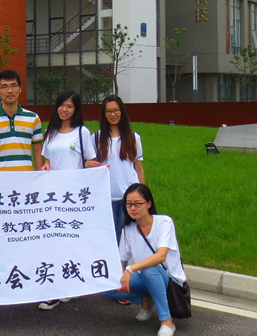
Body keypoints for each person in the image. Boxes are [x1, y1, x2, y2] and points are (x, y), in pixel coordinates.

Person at [38, 89, 98, 310]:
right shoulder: (51, 132)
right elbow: (47, 160)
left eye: (69, 106)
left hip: (73, 198)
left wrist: (93, 166)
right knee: (53, 242)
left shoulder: (82, 132)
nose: (64, 109)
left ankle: (68, 286)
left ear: (76, 110)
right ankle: (55, 289)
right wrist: (46, 166)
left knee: (70, 242)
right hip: (53, 198)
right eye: (61, 105)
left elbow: (91, 161)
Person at [107, 183, 186, 336]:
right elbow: (120, 260)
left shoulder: (164, 222)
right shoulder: (128, 229)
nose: (133, 208)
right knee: (107, 286)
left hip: (169, 280)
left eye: (138, 204)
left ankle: (167, 322)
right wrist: (117, 277)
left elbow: (161, 256)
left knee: (149, 269)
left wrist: (131, 269)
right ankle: (146, 298)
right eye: (129, 204)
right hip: (144, 276)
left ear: (149, 204)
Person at [86, 95, 145, 244]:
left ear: (122, 112)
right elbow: (91, 165)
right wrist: (87, 164)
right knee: (110, 238)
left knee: (126, 238)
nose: (112, 114)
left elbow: (138, 168)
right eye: (108, 111)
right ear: (104, 115)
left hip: (128, 196)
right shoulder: (96, 138)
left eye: (116, 110)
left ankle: (125, 261)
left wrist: (142, 194)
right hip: (106, 196)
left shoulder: (133, 137)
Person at [0, 69, 44, 171]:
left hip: (26, 179)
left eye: (13, 85)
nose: (10, 91)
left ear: (20, 88)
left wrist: (41, 176)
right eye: (4, 87)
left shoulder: (33, 118)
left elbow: (38, 151)